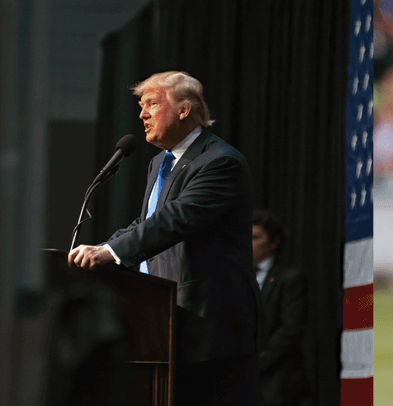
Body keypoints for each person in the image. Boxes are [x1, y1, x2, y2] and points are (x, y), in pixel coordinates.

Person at [68, 71, 259, 406]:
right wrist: (102, 248)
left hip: (211, 329)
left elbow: (177, 219)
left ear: (184, 110)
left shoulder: (219, 161)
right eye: (142, 107)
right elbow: (147, 222)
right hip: (165, 323)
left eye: (152, 104)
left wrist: (111, 253)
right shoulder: (160, 162)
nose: (142, 114)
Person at [251, 209, 309, 406]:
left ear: (274, 242)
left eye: (255, 237)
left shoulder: (289, 278)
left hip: (277, 382)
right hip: (240, 383)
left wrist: (256, 363)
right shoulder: (235, 278)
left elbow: (291, 330)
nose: (248, 244)